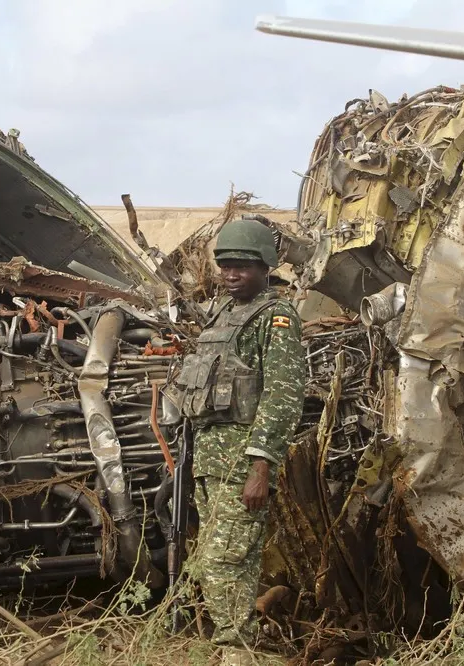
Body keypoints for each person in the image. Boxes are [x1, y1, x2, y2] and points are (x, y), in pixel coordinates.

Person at [175, 218, 306, 653]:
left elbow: (283, 395)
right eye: (225, 265)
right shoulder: (221, 314)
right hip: (209, 463)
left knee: (223, 560)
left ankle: (236, 650)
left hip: (242, 465)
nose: (232, 274)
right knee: (226, 559)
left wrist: (261, 465)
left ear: (265, 267)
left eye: (243, 267)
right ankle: (239, 648)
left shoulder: (276, 317)